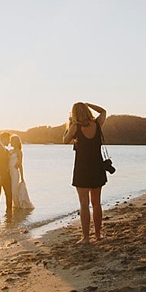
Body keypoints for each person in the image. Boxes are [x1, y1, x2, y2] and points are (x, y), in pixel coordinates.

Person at [63, 101, 107, 243]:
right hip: (97, 167)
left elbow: (65, 140)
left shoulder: (75, 127)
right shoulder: (97, 124)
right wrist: (90, 104)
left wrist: (68, 125)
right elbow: (103, 111)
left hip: (82, 168)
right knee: (96, 203)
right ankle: (98, 235)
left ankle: (86, 237)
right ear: (87, 111)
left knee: (84, 203)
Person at [8, 134, 34, 210]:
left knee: (14, 189)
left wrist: (22, 177)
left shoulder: (19, 152)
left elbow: (20, 165)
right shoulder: (10, 151)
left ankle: (17, 206)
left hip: (15, 172)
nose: (10, 142)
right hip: (9, 172)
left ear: (16, 142)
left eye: (12, 141)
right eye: (10, 141)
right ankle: (14, 207)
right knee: (10, 190)